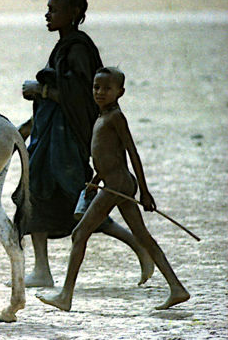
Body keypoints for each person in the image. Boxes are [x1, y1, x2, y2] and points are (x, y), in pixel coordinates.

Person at [19, 0, 154, 287]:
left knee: (77, 200)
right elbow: (59, 99)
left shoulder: (79, 49)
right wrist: (27, 128)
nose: (47, 14)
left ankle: (138, 246)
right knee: (35, 196)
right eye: (47, 8)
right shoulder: (64, 46)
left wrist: (40, 90)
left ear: (74, 14)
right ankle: (41, 270)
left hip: (67, 143)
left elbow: (80, 98)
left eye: (54, 10)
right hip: (47, 141)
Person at [37, 67, 190, 310]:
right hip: (114, 182)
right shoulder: (102, 117)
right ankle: (177, 288)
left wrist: (145, 191)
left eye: (107, 89)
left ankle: (65, 296)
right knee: (142, 236)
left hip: (118, 185)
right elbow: (111, 155)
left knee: (79, 233)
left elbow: (132, 152)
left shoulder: (116, 117)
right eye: (97, 87)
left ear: (121, 92)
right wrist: (97, 180)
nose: (100, 92)